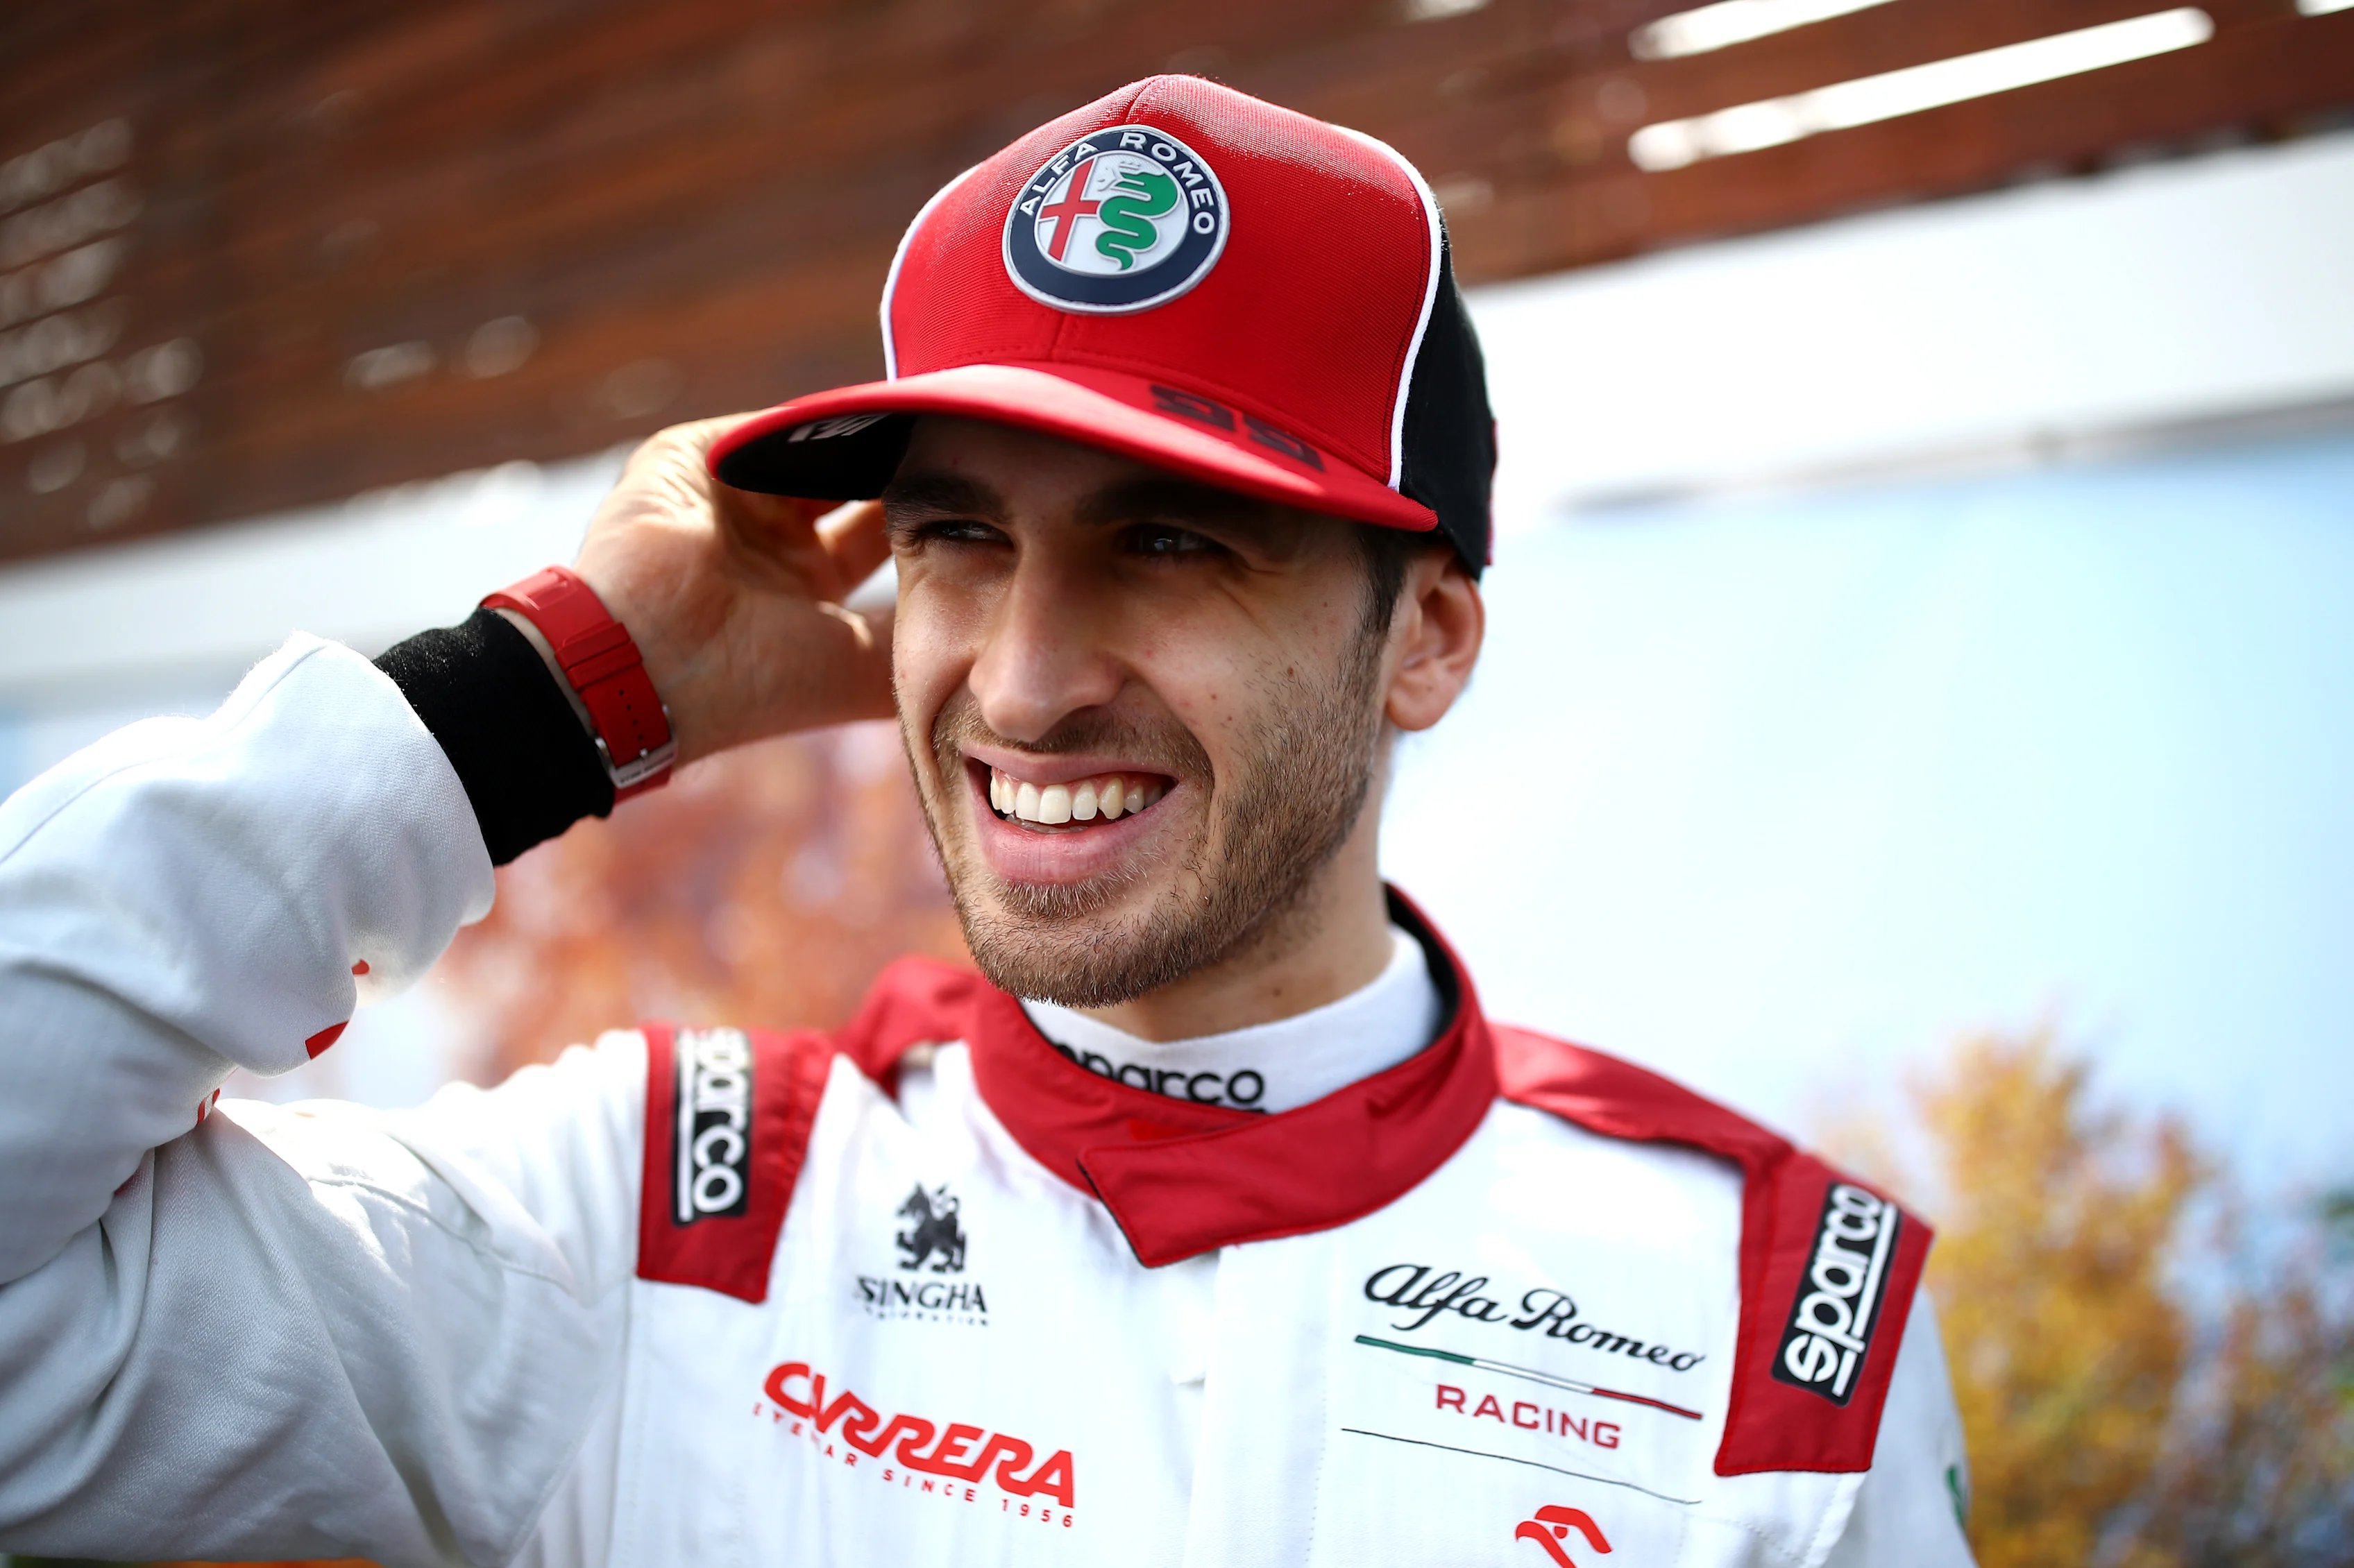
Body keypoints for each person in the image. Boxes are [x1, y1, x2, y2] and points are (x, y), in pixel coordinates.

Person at [0, 76, 1972, 1567]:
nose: (1022, 683)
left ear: (1426, 639)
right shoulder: (660, 1220)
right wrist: (543, 697)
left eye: (1171, 541)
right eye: (959, 533)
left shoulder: (1785, 1327)